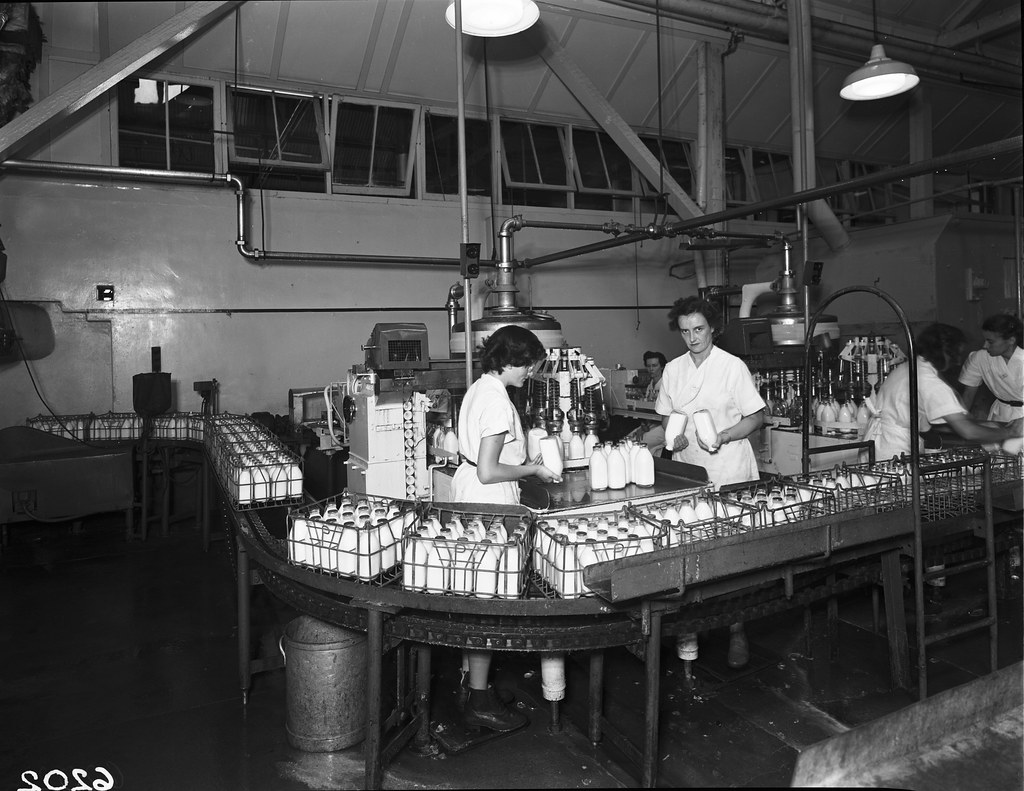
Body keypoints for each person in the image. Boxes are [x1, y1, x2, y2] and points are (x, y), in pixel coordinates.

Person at [451, 324, 561, 732]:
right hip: (488, 498)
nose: (530, 373)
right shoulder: (497, 402)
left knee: (474, 592)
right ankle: (480, 701)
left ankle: (470, 687)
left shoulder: (480, 388)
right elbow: (489, 469)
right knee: (489, 598)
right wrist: (532, 469)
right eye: (529, 365)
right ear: (512, 360)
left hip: (470, 491)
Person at [656, 296, 767, 668]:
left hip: (729, 468)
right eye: (685, 331)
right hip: (689, 470)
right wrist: (673, 438)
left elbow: (756, 417)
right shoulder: (673, 370)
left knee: (734, 554)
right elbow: (667, 418)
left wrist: (725, 435)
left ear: (713, 328)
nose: (692, 338)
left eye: (699, 329)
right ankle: (689, 630)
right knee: (690, 550)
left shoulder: (731, 367)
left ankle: (737, 629)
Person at [865, 323, 1022, 460]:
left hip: (878, 443)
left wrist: (987, 426)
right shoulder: (929, 382)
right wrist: (1010, 433)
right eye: (956, 354)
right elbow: (967, 432)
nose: (958, 361)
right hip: (894, 449)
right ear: (944, 352)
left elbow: (941, 423)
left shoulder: (909, 368)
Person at [958, 314, 1023, 427]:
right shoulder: (980, 358)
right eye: (985, 340)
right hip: (1000, 416)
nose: (985, 345)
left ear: (1011, 340)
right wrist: (960, 424)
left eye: (990, 342)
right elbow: (968, 394)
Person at [638, 350, 667, 455]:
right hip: (651, 423)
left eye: (654, 366)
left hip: (664, 426)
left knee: (640, 443)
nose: (651, 369)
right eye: (648, 366)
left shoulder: (666, 384)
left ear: (662, 367)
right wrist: (643, 424)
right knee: (630, 439)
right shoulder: (650, 385)